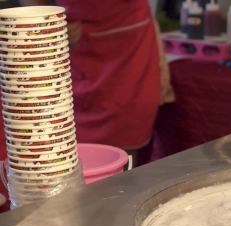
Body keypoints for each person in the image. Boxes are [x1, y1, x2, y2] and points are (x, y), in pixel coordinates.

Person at [19, 0, 175, 160]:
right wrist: (47, 23)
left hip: (126, 48)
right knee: (64, 147)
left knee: (121, 153)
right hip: (70, 43)